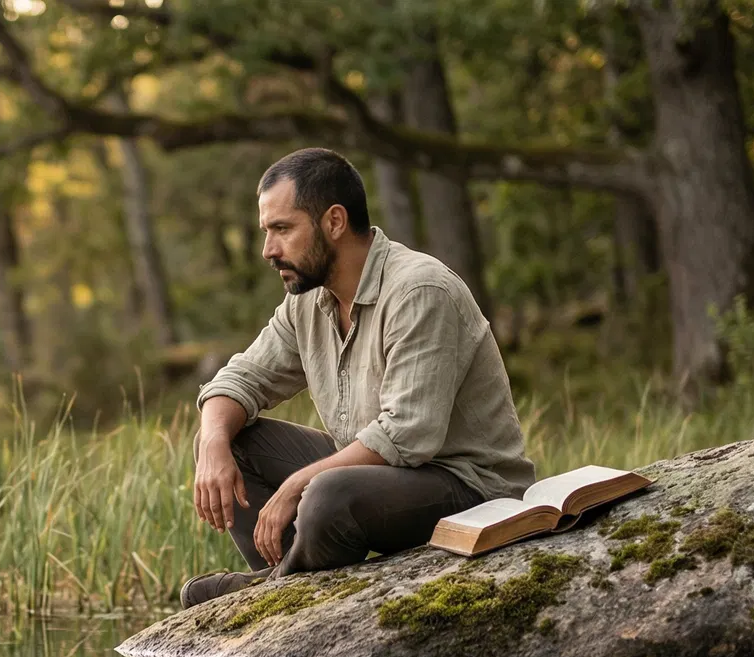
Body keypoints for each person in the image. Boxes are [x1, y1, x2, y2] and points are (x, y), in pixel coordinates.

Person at [182, 148, 536, 607]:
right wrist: (212, 443)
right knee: (231, 441)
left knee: (327, 493)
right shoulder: (308, 300)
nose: (269, 250)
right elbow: (242, 378)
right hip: (375, 480)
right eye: (267, 232)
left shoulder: (419, 290)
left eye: (282, 230)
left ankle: (274, 589)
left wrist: (296, 485)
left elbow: (409, 435)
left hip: (469, 488)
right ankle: (290, 579)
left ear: (333, 222)